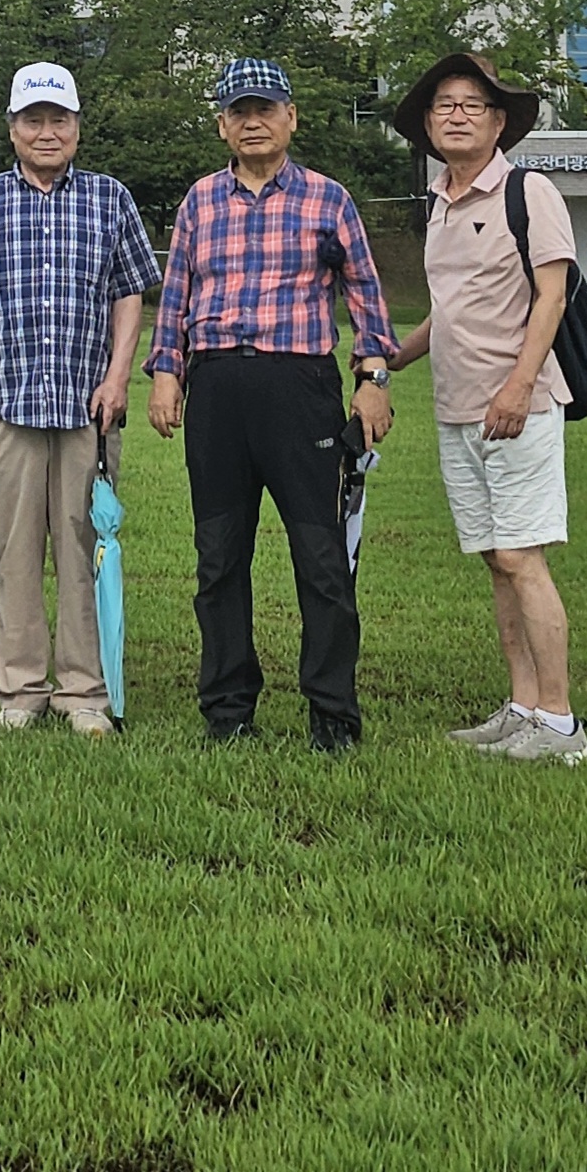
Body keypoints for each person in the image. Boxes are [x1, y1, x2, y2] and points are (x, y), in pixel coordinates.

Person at [145, 57, 395, 751]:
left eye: (265, 109)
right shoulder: (200, 202)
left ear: (291, 117)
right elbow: (177, 297)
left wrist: (373, 378)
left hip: (301, 389)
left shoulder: (328, 199)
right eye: (239, 112)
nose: (253, 122)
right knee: (219, 557)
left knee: (321, 557)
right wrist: (166, 373)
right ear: (222, 125)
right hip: (217, 389)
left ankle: (332, 716)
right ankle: (228, 712)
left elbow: (365, 294)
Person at [385, 53, 587, 765]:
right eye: (444, 105)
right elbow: (449, 311)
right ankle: (522, 706)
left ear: (499, 122)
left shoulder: (529, 193)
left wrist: (518, 384)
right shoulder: (439, 203)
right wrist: (392, 356)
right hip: (457, 407)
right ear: (427, 123)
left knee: (521, 556)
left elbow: (552, 295)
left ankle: (560, 724)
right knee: (496, 562)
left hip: (519, 405)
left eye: (472, 104)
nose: (457, 115)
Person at [0, 61, 159, 734]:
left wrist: (118, 377)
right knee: (14, 555)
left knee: (83, 548)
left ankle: (84, 692)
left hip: (87, 408)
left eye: (58, 119)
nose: (46, 132)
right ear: (12, 128)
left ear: (76, 127)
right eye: (32, 120)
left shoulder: (109, 199)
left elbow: (129, 295)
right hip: (6, 404)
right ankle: (21, 691)